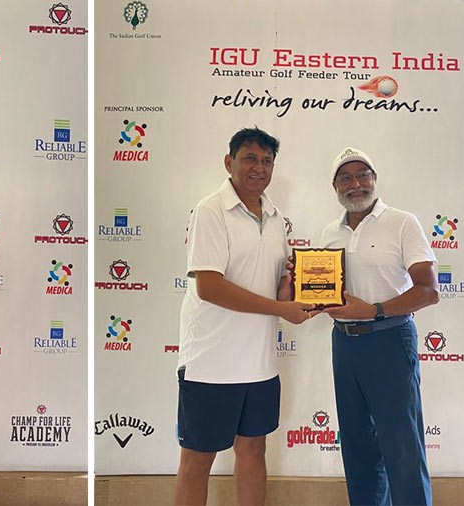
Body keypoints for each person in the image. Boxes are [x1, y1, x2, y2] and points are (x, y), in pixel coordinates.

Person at [174, 127, 315, 506]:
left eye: (267, 161)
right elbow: (210, 287)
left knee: (253, 453)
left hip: (260, 364)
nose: (259, 168)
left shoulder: (274, 216)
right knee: (197, 462)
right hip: (211, 364)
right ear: (229, 162)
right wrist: (280, 308)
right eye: (250, 158)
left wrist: (291, 288)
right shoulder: (210, 210)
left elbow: (275, 287)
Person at [320, 147, 438, 505]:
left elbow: (428, 290)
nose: (355, 184)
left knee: (402, 448)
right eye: (345, 178)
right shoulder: (329, 232)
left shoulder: (402, 222)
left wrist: (373, 310)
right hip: (344, 344)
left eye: (362, 175)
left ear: (374, 179)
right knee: (357, 448)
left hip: (389, 340)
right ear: (334, 186)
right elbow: (325, 289)